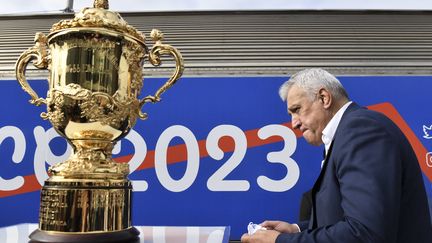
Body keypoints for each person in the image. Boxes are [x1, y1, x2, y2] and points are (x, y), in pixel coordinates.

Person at [241, 68, 432, 243]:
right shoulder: (347, 133)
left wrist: (279, 241)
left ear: (324, 98)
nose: (294, 123)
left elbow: (364, 232)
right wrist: (296, 229)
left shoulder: (360, 131)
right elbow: (344, 218)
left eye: (297, 110)